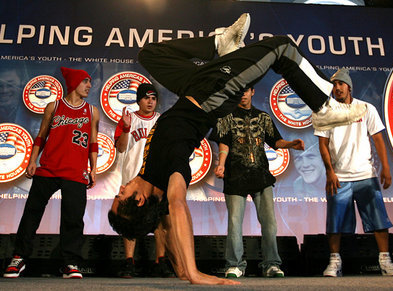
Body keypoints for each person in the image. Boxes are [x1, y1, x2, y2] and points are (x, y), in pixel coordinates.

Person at [108, 13, 366, 285]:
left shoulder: (152, 186)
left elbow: (170, 230)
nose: (121, 188)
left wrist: (181, 269)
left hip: (191, 87)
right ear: (138, 200)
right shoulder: (171, 173)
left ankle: (221, 44)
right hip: (213, 93)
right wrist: (194, 274)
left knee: (149, 54)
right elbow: (179, 206)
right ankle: (323, 107)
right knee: (280, 47)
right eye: (120, 195)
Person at [3, 67, 99, 279]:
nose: (89, 86)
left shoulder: (92, 111)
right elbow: (41, 136)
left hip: (75, 171)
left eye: (90, 82)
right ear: (74, 83)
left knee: (73, 219)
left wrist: (93, 169)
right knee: (32, 214)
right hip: (48, 167)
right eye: (85, 81)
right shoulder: (53, 106)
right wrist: (31, 161)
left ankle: (70, 262)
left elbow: (93, 142)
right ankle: (19, 257)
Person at [210, 86, 304, 278]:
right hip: (235, 175)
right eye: (240, 90)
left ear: (252, 92)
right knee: (235, 223)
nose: (242, 93)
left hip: (261, 175)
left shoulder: (263, 117)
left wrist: (291, 144)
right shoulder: (226, 116)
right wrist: (221, 164)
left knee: (269, 223)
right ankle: (235, 265)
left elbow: (275, 141)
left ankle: (271, 264)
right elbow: (224, 142)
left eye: (246, 90)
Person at [315, 67, 393, 277]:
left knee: (379, 221)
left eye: (340, 84)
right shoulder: (325, 111)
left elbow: (378, 139)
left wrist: (386, 168)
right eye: (334, 85)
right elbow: (323, 145)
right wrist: (330, 172)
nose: (337, 88)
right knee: (334, 223)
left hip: (366, 175)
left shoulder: (366, 108)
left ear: (349, 87)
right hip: (339, 177)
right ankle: (334, 262)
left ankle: (385, 261)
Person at [113, 83, 174, 278]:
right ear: (139, 100)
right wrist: (125, 128)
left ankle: (161, 262)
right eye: (146, 98)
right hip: (133, 178)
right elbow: (121, 148)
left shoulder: (162, 120)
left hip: (156, 179)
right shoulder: (129, 119)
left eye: (153, 98)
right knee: (129, 218)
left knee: (159, 221)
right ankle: (129, 262)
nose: (150, 101)